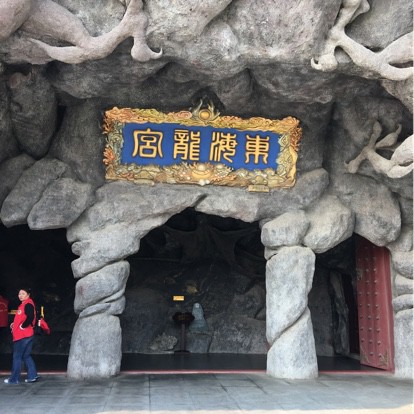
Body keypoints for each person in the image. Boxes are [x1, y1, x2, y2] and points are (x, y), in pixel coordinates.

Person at [4, 288, 39, 384]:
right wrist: (15, 324)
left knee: (17, 357)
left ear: (28, 294)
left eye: (23, 293)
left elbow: (30, 317)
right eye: (19, 294)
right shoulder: (25, 304)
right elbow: (22, 317)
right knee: (26, 356)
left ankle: (14, 379)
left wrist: (22, 326)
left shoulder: (28, 304)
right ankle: (32, 376)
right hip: (27, 334)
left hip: (22, 336)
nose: (20, 295)